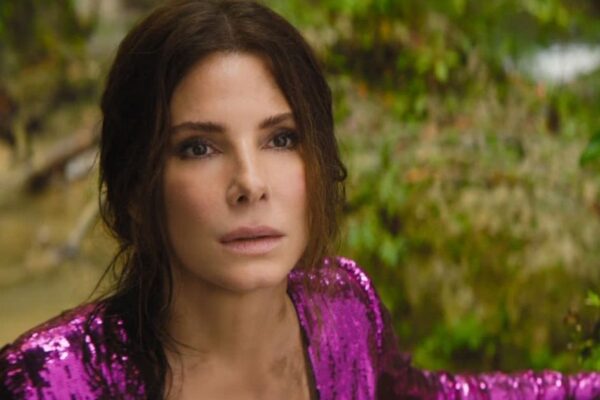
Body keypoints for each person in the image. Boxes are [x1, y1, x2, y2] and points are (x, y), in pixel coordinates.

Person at [1, 1, 599, 398]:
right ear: (136, 186)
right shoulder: (46, 380)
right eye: (198, 148)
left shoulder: (342, 309)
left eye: (281, 139)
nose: (251, 182)